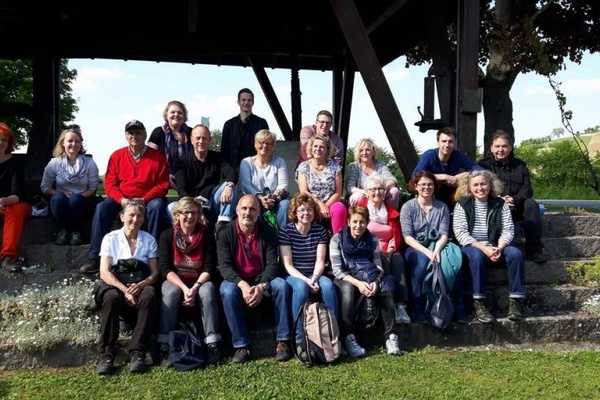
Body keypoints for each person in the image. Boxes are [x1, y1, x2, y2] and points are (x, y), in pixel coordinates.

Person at [80, 119, 170, 274]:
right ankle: (95, 257)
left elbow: (163, 184)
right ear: (126, 136)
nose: (134, 136)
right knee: (102, 207)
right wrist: (122, 200)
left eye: (138, 132)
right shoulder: (117, 156)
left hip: (147, 199)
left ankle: (154, 257)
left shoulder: (157, 156)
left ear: (145, 135)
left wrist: (145, 199)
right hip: (123, 199)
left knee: (158, 207)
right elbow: (110, 183)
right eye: (131, 133)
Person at [216, 194, 292, 364]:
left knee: (281, 285)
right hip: (237, 280)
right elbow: (224, 267)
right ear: (236, 210)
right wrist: (242, 285)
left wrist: (261, 286)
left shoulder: (268, 231)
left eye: (252, 209)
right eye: (244, 208)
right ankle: (241, 345)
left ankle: (283, 341)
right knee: (227, 290)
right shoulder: (225, 233)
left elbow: (273, 264)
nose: (247, 213)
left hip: (262, 279)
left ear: (259, 212)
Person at [93, 201, 160, 375]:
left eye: (139, 216)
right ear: (122, 217)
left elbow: (155, 272)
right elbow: (104, 272)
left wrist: (141, 285)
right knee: (111, 297)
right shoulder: (110, 238)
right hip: (116, 283)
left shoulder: (149, 240)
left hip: (140, 282)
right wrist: (125, 290)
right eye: (131, 215)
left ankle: (138, 351)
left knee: (150, 294)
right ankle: (106, 353)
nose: (135, 219)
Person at [453, 170, 526, 323]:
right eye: (476, 185)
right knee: (477, 255)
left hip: (496, 245)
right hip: (472, 247)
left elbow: (508, 229)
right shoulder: (463, 204)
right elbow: (461, 233)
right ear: (470, 187)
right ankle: (478, 302)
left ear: (490, 185)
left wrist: (499, 247)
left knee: (516, 254)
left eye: (483, 184)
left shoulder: (500, 204)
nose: (480, 188)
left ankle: (516, 301)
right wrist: (484, 248)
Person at [157, 197, 221, 367]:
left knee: (207, 291)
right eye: (186, 212)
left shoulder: (206, 235)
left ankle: (212, 343)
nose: (190, 216)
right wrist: (185, 288)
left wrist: (196, 287)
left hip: (200, 280)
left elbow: (209, 266)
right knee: (170, 293)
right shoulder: (167, 235)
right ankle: (164, 344)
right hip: (176, 280)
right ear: (177, 215)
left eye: (194, 212)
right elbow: (164, 267)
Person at [330, 205, 402, 357]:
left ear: (367, 222)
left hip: (369, 275)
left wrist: (375, 281)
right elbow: (337, 270)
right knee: (348, 291)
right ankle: (349, 337)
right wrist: (358, 283)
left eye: (362, 222)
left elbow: (378, 266)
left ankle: (391, 336)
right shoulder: (337, 240)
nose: (358, 226)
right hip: (345, 276)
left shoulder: (372, 239)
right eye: (355, 222)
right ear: (348, 222)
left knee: (386, 291)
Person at [400, 170, 466, 325]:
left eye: (430, 184)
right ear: (415, 186)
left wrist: (436, 250)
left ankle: (458, 307)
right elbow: (407, 237)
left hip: (438, 245)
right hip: (414, 247)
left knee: (453, 262)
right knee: (422, 263)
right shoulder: (408, 207)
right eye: (422, 184)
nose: (426, 187)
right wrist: (428, 252)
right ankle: (418, 307)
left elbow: (444, 233)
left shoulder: (441, 207)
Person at [278, 193, 339, 359]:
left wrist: (314, 278)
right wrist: (306, 281)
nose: (306, 213)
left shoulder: (319, 231)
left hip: (314, 273)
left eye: (310, 210)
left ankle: (334, 335)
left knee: (328, 286)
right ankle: (299, 340)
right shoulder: (286, 231)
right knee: (300, 287)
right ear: (295, 212)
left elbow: (320, 261)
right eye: (302, 210)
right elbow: (288, 265)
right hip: (294, 275)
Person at [478, 130, 547, 264]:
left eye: (504, 146)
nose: (500, 150)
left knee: (531, 204)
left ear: (510, 147)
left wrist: (514, 200)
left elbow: (527, 189)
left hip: (516, 207)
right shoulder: (483, 166)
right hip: (493, 207)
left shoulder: (520, 165)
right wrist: (499, 200)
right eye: (497, 146)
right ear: (491, 148)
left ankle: (535, 250)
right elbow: (478, 189)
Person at [359, 175, 410, 324]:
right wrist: (378, 250)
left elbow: (396, 233)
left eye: (380, 188)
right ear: (366, 192)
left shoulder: (390, 211)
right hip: (370, 250)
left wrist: (392, 248)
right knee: (384, 263)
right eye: (373, 189)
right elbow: (358, 234)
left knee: (398, 261)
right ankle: (390, 305)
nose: (377, 192)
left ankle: (401, 305)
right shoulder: (361, 210)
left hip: (390, 249)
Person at [170, 124, 238, 229]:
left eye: (204, 138)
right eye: (198, 138)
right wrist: (196, 209)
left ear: (210, 140)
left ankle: (223, 226)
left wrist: (229, 186)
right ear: (191, 140)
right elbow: (182, 189)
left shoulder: (218, 157)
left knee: (230, 186)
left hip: (211, 202)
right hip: (191, 202)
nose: (201, 141)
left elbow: (231, 172)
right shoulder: (182, 161)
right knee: (170, 207)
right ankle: (182, 234)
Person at [40, 128, 100, 246]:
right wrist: (60, 194)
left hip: (82, 202)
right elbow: (45, 187)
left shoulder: (89, 163)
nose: (74, 144)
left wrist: (76, 196)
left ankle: (76, 231)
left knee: (75, 200)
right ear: (63, 143)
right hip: (60, 202)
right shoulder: (54, 163)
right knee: (58, 198)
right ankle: (61, 231)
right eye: (70, 141)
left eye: (77, 141)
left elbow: (93, 189)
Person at [220, 88, 269, 205]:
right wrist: (229, 174)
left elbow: (266, 148)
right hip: (233, 171)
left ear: (253, 102)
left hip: (255, 170)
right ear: (238, 102)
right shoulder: (229, 125)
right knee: (228, 193)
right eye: (243, 100)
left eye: (249, 100)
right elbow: (224, 152)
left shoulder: (261, 123)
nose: (246, 103)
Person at [412, 127, 482, 207]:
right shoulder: (429, 156)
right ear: (438, 143)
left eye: (450, 141)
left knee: (467, 184)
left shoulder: (458, 156)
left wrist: (466, 174)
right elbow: (416, 175)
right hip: (431, 194)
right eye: (444, 141)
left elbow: (479, 170)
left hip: (451, 195)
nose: (447, 145)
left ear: (455, 143)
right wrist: (445, 177)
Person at [296, 134, 347, 234]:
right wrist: (320, 206)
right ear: (311, 148)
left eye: (322, 147)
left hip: (331, 204)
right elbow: (304, 191)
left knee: (339, 208)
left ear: (327, 150)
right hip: (310, 202)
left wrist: (326, 207)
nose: (318, 149)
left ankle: (337, 242)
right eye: (315, 146)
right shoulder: (303, 167)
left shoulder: (335, 167)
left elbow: (338, 193)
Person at [240, 129, 290, 230]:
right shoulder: (246, 162)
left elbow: (283, 185)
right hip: (255, 199)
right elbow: (246, 185)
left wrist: (273, 197)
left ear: (273, 146)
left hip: (275, 200)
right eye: (261, 142)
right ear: (255, 144)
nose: (265, 146)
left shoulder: (279, 162)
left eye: (269, 143)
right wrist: (259, 197)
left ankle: (281, 237)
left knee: (285, 204)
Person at [0, 122, 32, 272]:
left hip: (13, 204)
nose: (1, 143)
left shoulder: (16, 163)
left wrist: (2, 201)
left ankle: (8, 257)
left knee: (15, 209)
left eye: (4, 139)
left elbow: (18, 194)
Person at [346, 138, 402, 210]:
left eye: (367, 150)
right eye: (361, 150)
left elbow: (393, 180)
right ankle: (358, 218)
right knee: (357, 196)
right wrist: (366, 192)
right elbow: (350, 188)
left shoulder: (381, 165)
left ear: (373, 152)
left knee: (394, 191)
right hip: (362, 196)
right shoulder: (353, 166)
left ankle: (390, 218)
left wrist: (381, 189)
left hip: (379, 197)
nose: (364, 153)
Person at [148, 100, 192, 188]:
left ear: (184, 116)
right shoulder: (158, 132)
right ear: (166, 115)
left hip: (187, 177)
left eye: (180, 113)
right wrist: (165, 176)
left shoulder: (191, 133)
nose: (176, 115)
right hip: (161, 177)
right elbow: (151, 161)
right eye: (172, 112)